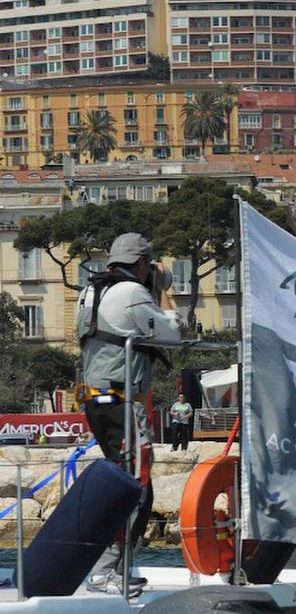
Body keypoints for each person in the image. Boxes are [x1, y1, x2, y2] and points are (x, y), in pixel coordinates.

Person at [76, 233, 181, 596]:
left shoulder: (91, 291)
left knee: (126, 486)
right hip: (123, 404)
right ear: (140, 264)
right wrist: (161, 292)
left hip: (97, 402)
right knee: (135, 491)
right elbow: (173, 335)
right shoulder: (131, 292)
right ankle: (107, 572)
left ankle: (115, 569)